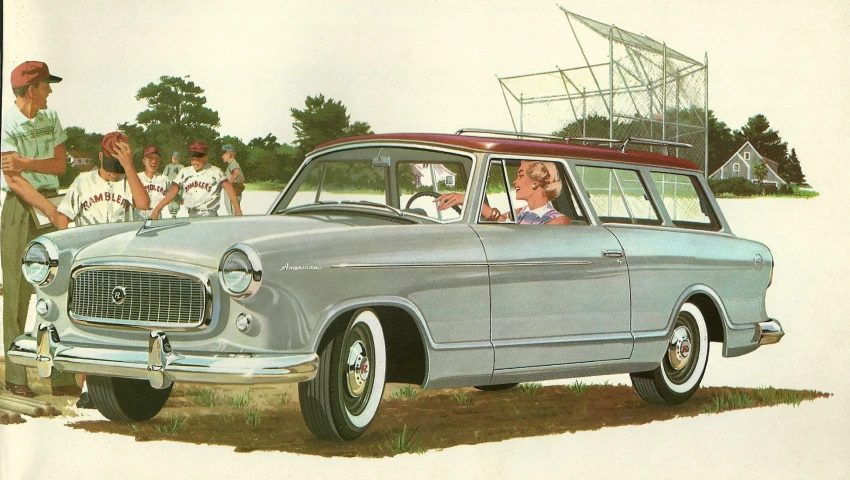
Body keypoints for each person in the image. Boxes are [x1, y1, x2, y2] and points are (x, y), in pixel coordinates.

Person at [1, 60, 80, 398]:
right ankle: (16, 377)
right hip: (21, 207)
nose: (49, 91)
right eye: (46, 85)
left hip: (50, 198)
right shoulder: (6, 122)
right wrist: (50, 210)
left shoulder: (52, 117)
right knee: (18, 293)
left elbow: (60, 166)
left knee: (58, 288)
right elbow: (13, 179)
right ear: (31, 90)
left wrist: (29, 163)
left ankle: (60, 377)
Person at [55, 132, 150, 227]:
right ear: (101, 157)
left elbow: (144, 204)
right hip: (91, 238)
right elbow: (63, 216)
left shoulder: (129, 181)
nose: (114, 173)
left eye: (119, 167)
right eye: (110, 166)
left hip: (119, 238)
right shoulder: (83, 180)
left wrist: (129, 166)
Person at [435, 160, 570, 225]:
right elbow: (498, 223)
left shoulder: (558, 221)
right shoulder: (520, 212)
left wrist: (470, 201)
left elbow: (524, 246)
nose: (515, 182)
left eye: (521, 176)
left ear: (536, 182)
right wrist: (466, 201)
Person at [151, 141, 242, 219]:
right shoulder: (184, 172)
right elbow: (172, 192)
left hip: (209, 214)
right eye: (193, 159)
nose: (195, 162)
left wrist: (237, 210)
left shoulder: (215, 171)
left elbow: (229, 188)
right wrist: (157, 209)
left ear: (205, 157)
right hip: (192, 214)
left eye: (198, 159)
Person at [134, 146, 170, 220]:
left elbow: (173, 194)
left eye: (157, 159)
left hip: (157, 215)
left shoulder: (164, 179)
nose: (153, 161)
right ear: (144, 161)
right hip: (139, 215)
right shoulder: (137, 178)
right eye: (150, 158)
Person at [220, 144, 244, 215]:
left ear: (229, 154)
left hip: (231, 192)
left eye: (223, 154)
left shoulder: (233, 164)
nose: (222, 156)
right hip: (235, 192)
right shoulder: (233, 164)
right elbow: (242, 178)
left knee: (232, 213)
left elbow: (236, 172)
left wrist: (229, 185)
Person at [162, 152, 183, 218]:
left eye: (176, 158)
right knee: (170, 198)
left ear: (178, 159)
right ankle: (171, 213)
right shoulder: (168, 166)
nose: (174, 159)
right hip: (170, 185)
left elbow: (183, 176)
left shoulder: (181, 167)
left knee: (177, 199)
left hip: (178, 185)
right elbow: (164, 176)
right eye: (173, 158)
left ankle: (175, 213)